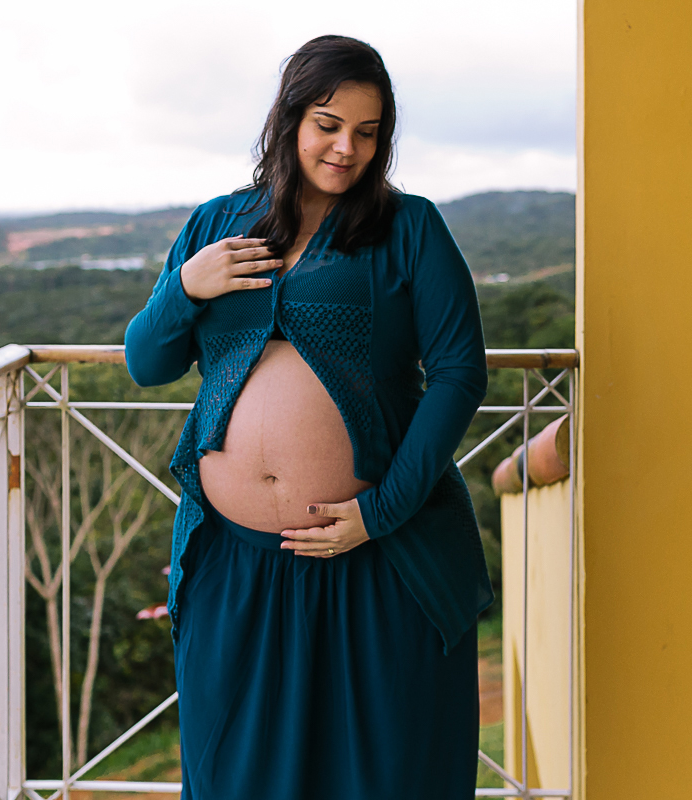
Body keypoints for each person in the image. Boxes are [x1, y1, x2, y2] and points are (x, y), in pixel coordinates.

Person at [124, 34, 493, 799]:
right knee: (237, 776)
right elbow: (148, 362)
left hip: (376, 554)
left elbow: (459, 373)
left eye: (368, 131)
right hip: (237, 561)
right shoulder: (216, 223)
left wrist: (380, 513)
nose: (346, 148)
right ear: (290, 118)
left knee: (384, 773)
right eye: (329, 123)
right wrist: (187, 287)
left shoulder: (410, 228)